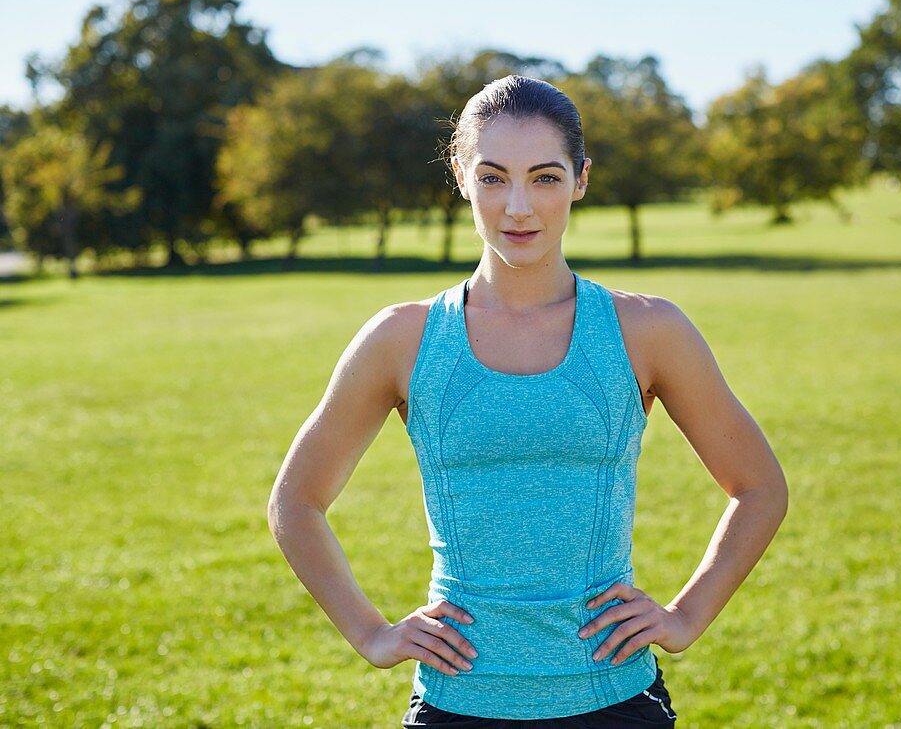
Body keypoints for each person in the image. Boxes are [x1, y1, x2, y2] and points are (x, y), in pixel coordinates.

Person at [267, 74, 789, 727]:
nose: (518, 207)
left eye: (544, 177)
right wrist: (373, 633)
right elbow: (296, 500)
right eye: (493, 177)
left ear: (581, 179)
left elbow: (759, 485)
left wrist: (685, 616)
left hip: (615, 701)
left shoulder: (647, 330)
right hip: (458, 704)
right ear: (460, 176)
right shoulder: (403, 339)